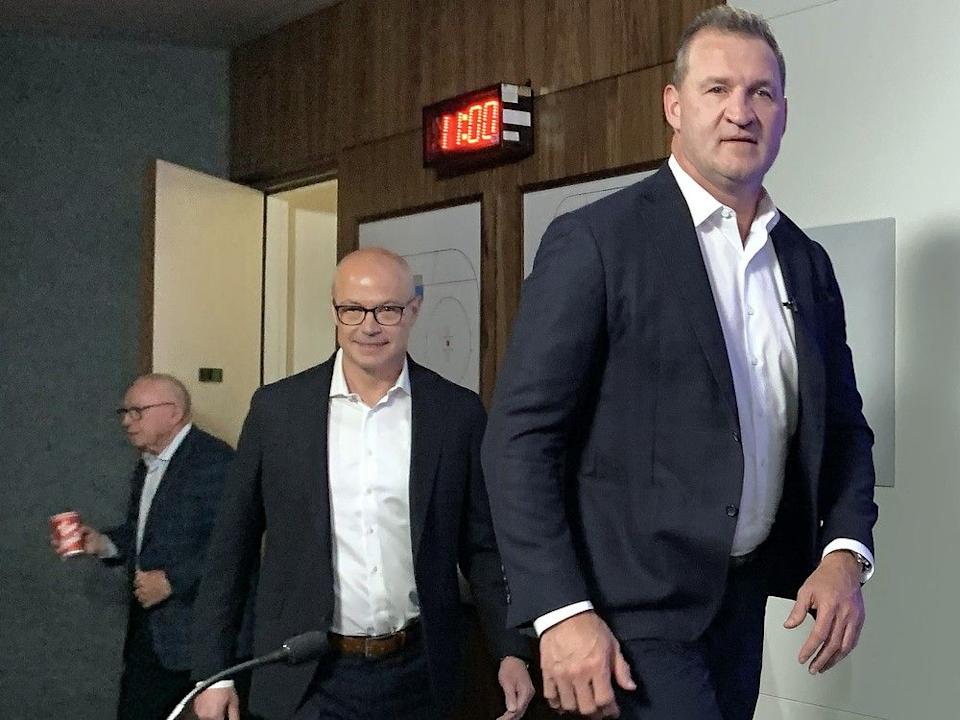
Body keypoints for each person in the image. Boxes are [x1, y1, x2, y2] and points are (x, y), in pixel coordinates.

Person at [481, 6, 879, 720]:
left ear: (784, 111)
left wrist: (844, 552)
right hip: (624, 621)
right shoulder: (597, 243)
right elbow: (518, 440)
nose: (741, 111)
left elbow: (845, 429)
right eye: (717, 89)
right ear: (674, 104)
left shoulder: (806, 265)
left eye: (761, 93)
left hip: (741, 608)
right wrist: (559, 612)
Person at [191, 247, 534, 720]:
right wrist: (214, 673)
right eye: (352, 309)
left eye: (387, 310)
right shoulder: (278, 411)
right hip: (307, 674)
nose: (368, 326)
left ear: (413, 310)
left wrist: (510, 648)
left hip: (419, 672)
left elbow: (482, 548)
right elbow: (231, 549)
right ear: (335, 311)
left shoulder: (455, 413)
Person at [51, 373, 235, 720]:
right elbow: (143, 535)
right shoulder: (148, 465)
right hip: (150, 635)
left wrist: (171, 580)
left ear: (174, 412)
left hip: (195, 638)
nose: (126, 421)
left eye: (137, 411)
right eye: (124, 411)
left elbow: (233, 546)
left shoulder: (216, 462)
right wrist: (102, 544)